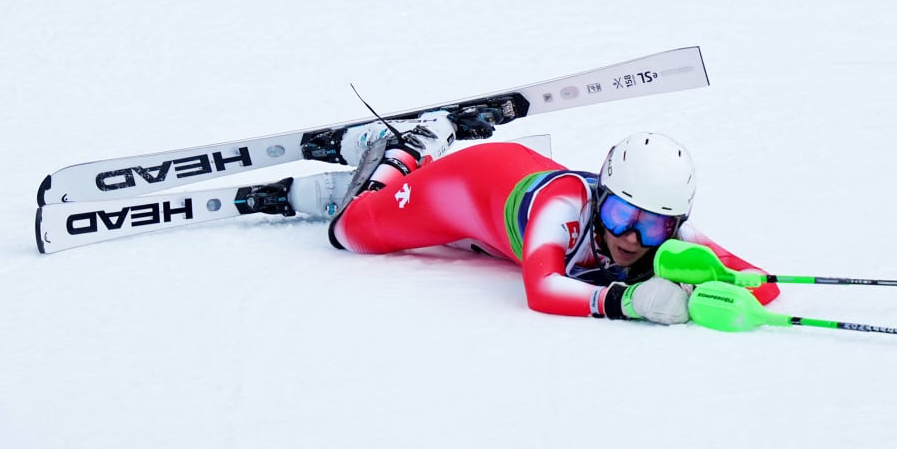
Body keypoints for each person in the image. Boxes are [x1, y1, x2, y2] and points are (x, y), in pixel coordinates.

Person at [290, 110, 779, 323]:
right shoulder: (565, 204)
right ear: (601, 196)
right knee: (349, 233)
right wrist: (631, 301)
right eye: (618, 212)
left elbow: (762, 282)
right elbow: (542, 288)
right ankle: (405, 153)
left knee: (480, 246)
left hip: (495, 223)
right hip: (462, 187)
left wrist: (701, 287)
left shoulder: (667, 230)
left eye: (651, 226)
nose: (632, 236)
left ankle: (418, 162)